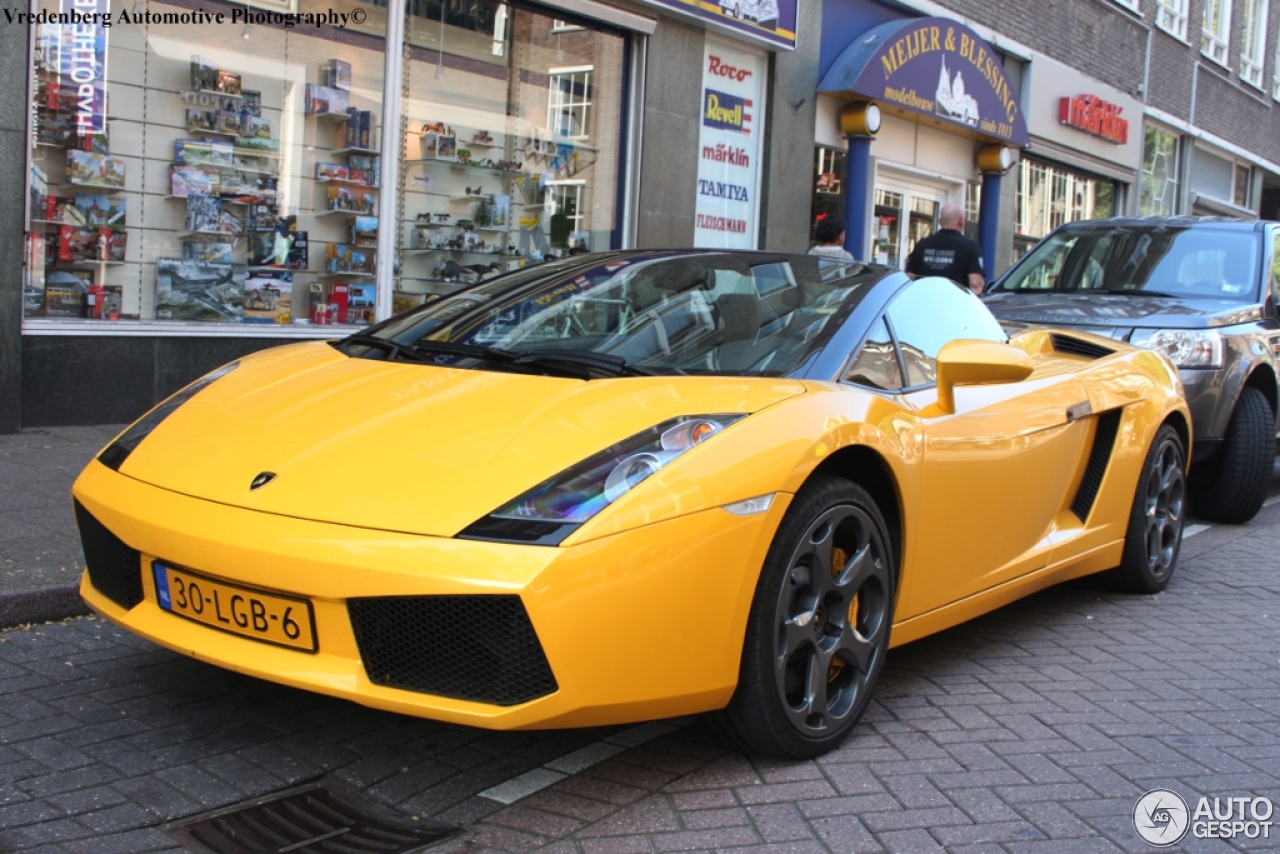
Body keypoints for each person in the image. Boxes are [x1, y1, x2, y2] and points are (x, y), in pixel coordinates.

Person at [905, 203, 985, 294]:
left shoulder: (922, 245)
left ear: (940, 222)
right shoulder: (971, 247)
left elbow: (910, 277)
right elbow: (976, 284)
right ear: (961, 222)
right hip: (955, 304)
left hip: (924, 302)